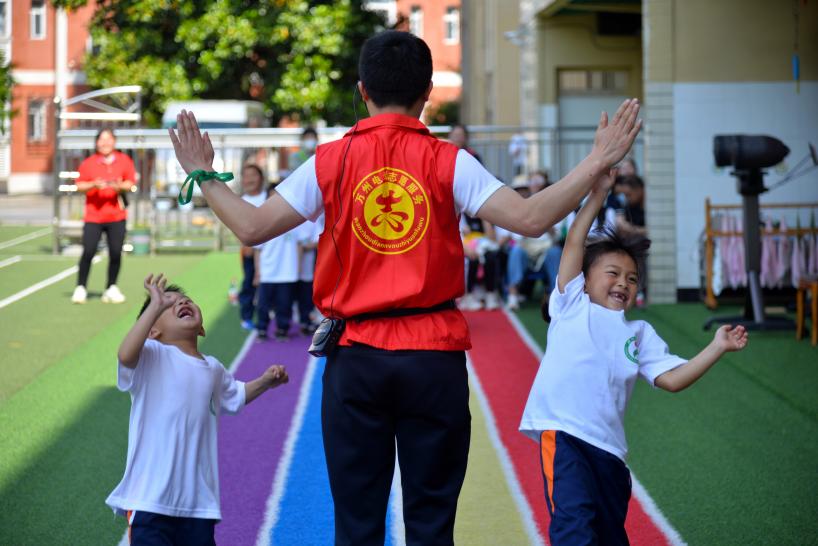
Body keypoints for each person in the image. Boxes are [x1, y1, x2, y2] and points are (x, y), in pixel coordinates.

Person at [169, 30, 641, 545]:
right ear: (428, 94)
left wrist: (202, 172)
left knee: (357, 525)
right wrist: (595, 161)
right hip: (432, 360)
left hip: (355, 360)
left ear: (362, 89)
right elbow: (529, 218)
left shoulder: (331, 160)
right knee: (431, 525)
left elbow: (251, 227)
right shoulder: (449, 160)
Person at [519, 169, 748, 545]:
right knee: (573, 527)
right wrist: (597, 195)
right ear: (584, 280)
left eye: (631, 278)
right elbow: (576, 239)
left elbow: (672, 379)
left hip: (610, 452)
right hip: (565, 437)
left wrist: (717, 347)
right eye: (613, 273)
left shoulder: (638, 333)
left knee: (610, 535)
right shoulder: (570, 305)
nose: (623, 283)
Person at [106, 273, 289, 545]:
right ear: (153, 332)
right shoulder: (151, 356)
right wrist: (154, 305)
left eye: (186, 300)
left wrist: (265, 381)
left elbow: (235, 396)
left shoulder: (212, 367)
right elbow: (125, 354)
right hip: (149, 501)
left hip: (198, 505)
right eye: (169, 305)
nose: (181, 303)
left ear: (201, 328)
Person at [71, 128, 135, 304]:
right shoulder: (89, 163)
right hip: (94, 216)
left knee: (116, 252)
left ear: (114, 141)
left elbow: (131, 183)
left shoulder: (124, 160)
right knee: (88, 250)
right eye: (102, 139)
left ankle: (111, 287)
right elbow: (79, 185)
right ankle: (81, 287)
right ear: (96, 142)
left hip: (117, 216)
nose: (105, 143)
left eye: (109, 139)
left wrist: (120, 186)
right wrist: (93, 184)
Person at [238, 164, 268, 330]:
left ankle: (270, 313)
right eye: (246, 176)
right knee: (249, 282)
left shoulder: (268, 197)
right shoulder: (240, 201)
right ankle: (247, 316)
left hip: (270, 250)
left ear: (261, 178)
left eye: (253, 175)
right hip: (250, 251)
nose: (249, 179)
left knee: (271, 284)